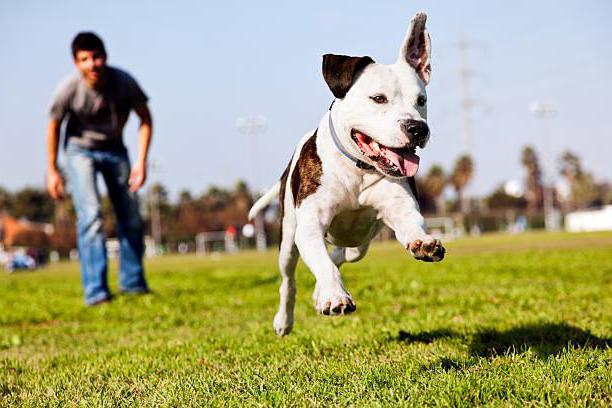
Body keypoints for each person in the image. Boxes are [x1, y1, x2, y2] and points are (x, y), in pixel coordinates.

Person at [46, 32, 152, 305]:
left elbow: (145, 119)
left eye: (96, 57)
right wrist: (53, 169)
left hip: (115, 149)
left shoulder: (124, 82)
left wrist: (141, 162)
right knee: (91, 215)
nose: (92, 64)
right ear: (76, 62)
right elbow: (54, 126)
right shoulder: (68, 89)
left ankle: (132, 284)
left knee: (130, 214)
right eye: (85, 59)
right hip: (80, 151)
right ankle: (96, 291)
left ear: (105, 57)